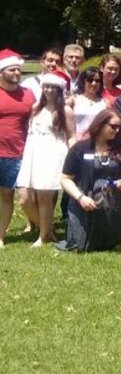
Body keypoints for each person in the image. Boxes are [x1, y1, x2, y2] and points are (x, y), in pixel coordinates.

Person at [58, 110, 121, 252]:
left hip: (113, 200)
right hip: (84, 198)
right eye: (113, 126)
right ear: (100, 124)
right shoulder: (79, 148)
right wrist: (80, 197)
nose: (117, 130)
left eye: (119, 127)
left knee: (113, 243)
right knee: (81, 246)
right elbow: (65, 179)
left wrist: (116, 183)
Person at [16, 71, 73, 245]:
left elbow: (71, 136)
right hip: (33, 154)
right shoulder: (35, 108)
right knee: (24, 198)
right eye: (46, 86)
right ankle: (47, 230)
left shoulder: (65, 110)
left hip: (52, 155)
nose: (49, 90)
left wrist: (72, 160)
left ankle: (42, 236)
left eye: (53, 87)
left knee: (44, 198)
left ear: (59, 90)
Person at [0, 49, 36, 248]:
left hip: (18, 153)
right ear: (1, 72)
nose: (16, 73)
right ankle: (1, 237)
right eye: (12, 70)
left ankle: (43, 228)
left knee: (23, 197)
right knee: (4, 196)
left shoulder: (28, 95)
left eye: (18, 70)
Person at [72, 67, 107, 142]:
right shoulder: (74, 100)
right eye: (90, 80)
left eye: (97, 81)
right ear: (83, 81)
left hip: (99, 141)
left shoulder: (105, 103)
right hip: (78, 142)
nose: (94, 83)